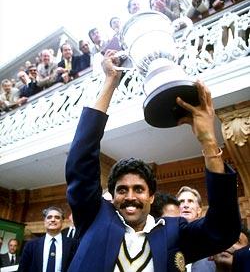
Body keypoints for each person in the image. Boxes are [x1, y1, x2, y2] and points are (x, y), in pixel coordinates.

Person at [65, 50, 241, 271]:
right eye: (122, 190)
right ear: (112, 197)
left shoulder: (173, 231)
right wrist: (110, 82)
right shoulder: (94, 217)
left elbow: (223, 229)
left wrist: (207, 140)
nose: (130, 197)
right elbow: (80, 160)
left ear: (150, 196)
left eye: (138, 189)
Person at [18, 206, 77, 272]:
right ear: (44, 221)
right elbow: (22, 269)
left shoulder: (73, 244)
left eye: (57, 217)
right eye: (49, 217)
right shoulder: (31, 245)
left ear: (62, 221)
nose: (53, 220)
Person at [177, 186, 216, 271]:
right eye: (181, 202)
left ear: (199, 210)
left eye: (190, 201)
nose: (185, 205)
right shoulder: (168, 238)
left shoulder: (212, 237)